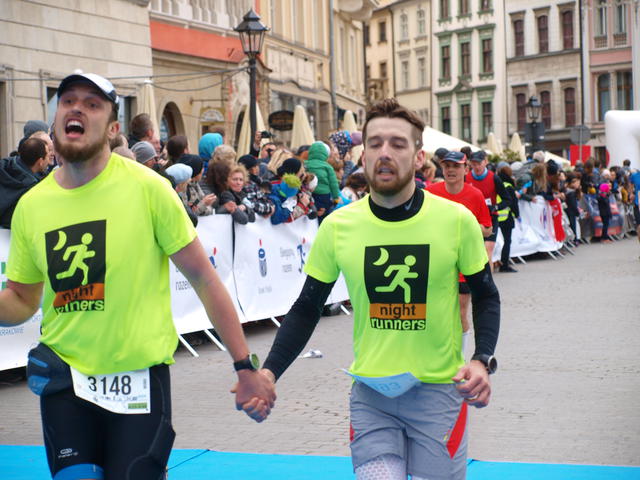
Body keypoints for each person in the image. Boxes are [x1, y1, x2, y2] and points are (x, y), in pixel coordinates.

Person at [0, 73, 275, 480]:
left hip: (138, 382)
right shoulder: (31, 206)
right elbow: (22, 299)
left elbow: (204, 279)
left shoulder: (149, 189)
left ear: (113, 128)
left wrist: (244, 366)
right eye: (68, 101)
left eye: (92, 104)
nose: (77, 108)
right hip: (65, 381)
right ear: (56, 120)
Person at [249, 98, 500, 480]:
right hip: (372, 398)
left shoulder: (456, 220)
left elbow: (486, 295)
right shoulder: (339, 226)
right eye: (376, 143)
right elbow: (306, 307)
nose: (385, 152)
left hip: (439, 394)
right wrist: (269, 373)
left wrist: (481, 360)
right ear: (363, 155)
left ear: (418, 157)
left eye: (398, 144)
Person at [426, 150, 493, 352]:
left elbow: (487, 229)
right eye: (447, 166)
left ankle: (460, 358)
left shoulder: (475, 195)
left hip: (463, 264)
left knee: (460, 313)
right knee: (434, 313)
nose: (451, 170)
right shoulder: (430, 193)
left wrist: (466, 224)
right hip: (435, 263)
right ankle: (437, 353)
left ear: (466, 169)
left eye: (456, 166)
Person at [466, 150, 509, 271]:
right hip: (472, 219)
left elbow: (507, 199)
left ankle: (488, 280)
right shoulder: (466, 178)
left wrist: (496, 207)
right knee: (475, 252)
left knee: (487, 251)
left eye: (479, 163)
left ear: (485, 162)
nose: (476, 167)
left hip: (490, 219)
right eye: (473, 164)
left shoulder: (494, 178)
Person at [0, 137, 49, 228]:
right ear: (40, 161)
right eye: (48, 156)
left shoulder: (4, 164)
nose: (49, 160)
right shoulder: (32, 190)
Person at [496, 165, 520, 272]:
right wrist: (517, 214)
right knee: (507, 241)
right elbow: (513, 202)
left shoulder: (495, 183)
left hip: (495, 215)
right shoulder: (508, 186)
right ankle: (504, 264)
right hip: (506, 216)